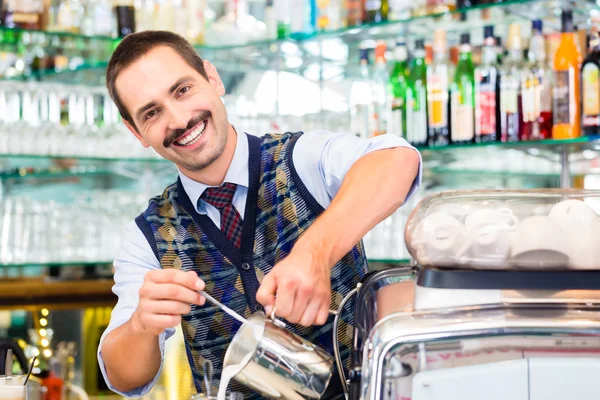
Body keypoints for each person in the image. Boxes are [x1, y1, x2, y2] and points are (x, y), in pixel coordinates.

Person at [97, 30, 422, 399]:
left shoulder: (300, 160)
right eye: (152, 112)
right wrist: (141, 324)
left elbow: (397, 159)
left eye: (183, 90)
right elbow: (123, 377)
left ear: (212, 78)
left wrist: (314, 252)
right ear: (136, 130)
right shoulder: (148, 236)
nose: (179, 118)